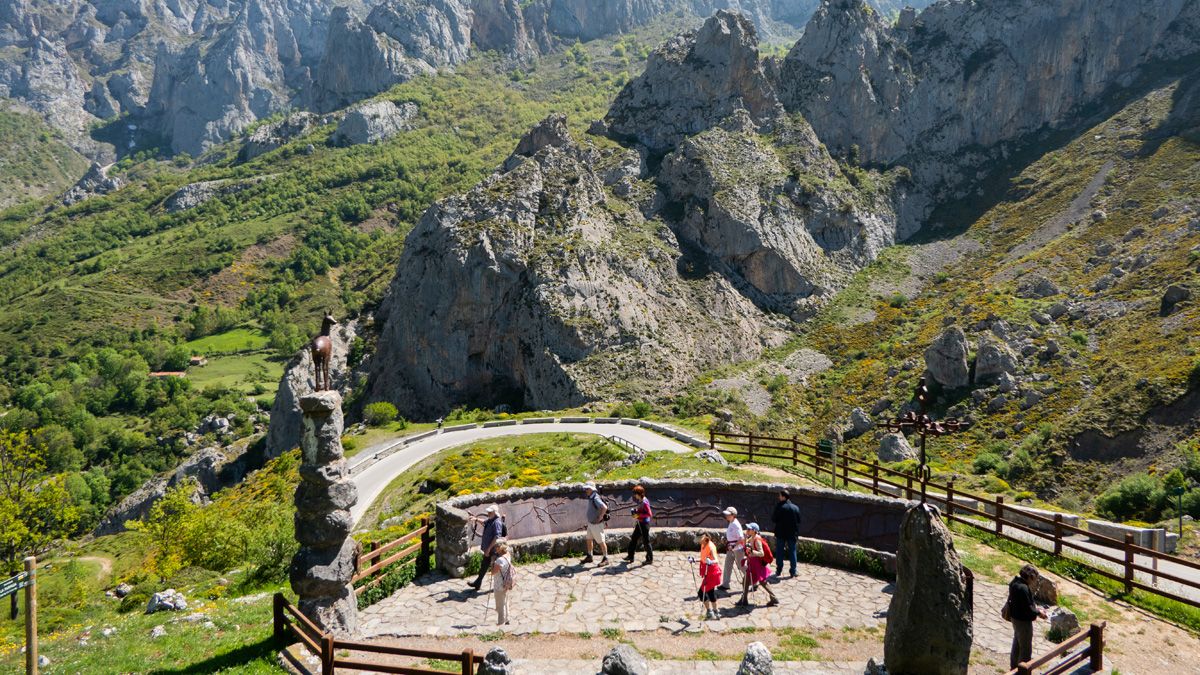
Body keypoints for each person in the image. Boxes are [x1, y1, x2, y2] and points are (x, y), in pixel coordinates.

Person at [1007, 564, 1048, 669]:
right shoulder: (1023, 588)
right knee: (1025, 649)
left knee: (1017, 644)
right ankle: (1023, 671)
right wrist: (1039, 613)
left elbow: (1024, 604)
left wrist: (1036, 609)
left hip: (1015, 618)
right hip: (1023, 622)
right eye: (1034, 578)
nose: (1034, 581)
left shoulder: (1015, 582)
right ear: (1031, 577)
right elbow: (1028, 609)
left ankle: (1014, 667)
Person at [736, 523, 778, 607]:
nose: (747, 530)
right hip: (752, 563)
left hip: (756, 564)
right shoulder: (751, 538)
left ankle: (773, 598)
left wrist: (752, 551)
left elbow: (761, 553)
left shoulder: (757, 539)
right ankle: (744, 600)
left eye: (749, 529)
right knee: (746, 581)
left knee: (762, 581)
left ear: (754, 531)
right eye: (747, 528)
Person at [468, 505, 504, 590]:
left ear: (494, 513)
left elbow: (496, 537)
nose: (488, 513)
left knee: (498, 568)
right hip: (489, 549)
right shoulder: (491, 519)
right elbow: (484, 522)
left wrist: (488, 549)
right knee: (484, 565)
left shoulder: (497, 522)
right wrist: (476, 519)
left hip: (493, 550)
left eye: (490, 512)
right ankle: (478, 583)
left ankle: (504, 583)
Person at [772, 490, 801, 577]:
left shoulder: (780, 507)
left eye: (780, 496)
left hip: (781, 533)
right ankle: (793, 571)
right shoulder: (796, 508)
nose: (779, 497)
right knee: (792, 551)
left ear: (784, 497)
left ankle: (779, 570)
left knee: (780, 552)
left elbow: (774, 519)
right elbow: (799, 520)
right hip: (792, 534)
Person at [580, 484, 610, 566]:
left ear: (591, 489)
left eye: (587, 489)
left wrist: (600, 517)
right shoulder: (592, 497)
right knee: (589, 539)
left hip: (596, 524)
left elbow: (604, 507)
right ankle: (590, 556)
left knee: (601, 541)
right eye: (585, 489)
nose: (585, 490)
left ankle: (606, 558)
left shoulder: (595, 498)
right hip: (591, 523)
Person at [624, 484, 653, 565]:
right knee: (634, 538)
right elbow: (642, 511)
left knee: (646, 541)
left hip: (644, 524)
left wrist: (638, 515)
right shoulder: (641, 500)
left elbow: (649, 514)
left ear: (639, 494)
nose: (634, 495)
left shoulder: (644, 501)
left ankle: (649, 559)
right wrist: (636, 511)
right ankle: (630, 556)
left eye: (635, 493)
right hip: (640, 523)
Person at [697, 533, 723, 619]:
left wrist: (711, 561)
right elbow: (703, 559)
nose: (698, 541)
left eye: (699, 539)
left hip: (712, 572)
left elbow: (716, 559)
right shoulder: (703, 544)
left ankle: (711, 612)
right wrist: (694, 560)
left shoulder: (711, 546)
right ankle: (714, 612)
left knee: (702, 593)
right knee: (710, 592)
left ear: (704, 538)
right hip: (707, 571)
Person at [719, 506, 744, 591]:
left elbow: (741, 538)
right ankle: (725, 584)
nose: (726, 516)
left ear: (733, 515)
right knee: (727, 565)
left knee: (741, 566)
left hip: (737, 549)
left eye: (728, 514)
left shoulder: (736, 524)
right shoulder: (731, 522)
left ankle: (753, 581)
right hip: (731, 548)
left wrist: (733, 546)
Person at [490, 540, 514, 625]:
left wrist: (493, 563)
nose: (495, 549)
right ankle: (507, 619)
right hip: (507, 581)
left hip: (499, 584)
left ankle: (501, 622)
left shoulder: (499, 560)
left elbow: (493, 572)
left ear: (499, 548)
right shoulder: (508, 555)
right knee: (505, 601)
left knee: (500, 605)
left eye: (496, 547)